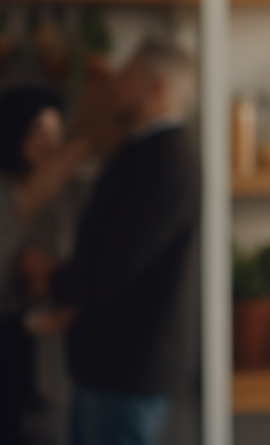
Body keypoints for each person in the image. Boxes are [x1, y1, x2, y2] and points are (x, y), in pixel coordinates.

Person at [28, 39, 200, 445]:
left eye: (125, 78)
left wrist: (54, 283)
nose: (113, 87)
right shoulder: (147, 151)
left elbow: (115, 261)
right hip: (114, 365)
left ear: (156, 88)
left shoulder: (167, 159)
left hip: (127, 370)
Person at [0, 86, 89, 444]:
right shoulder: (8, 197)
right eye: (39, 131)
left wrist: (53, 273)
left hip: (57, 368)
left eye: (57, 132)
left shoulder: (73, 197)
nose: (52, 144)